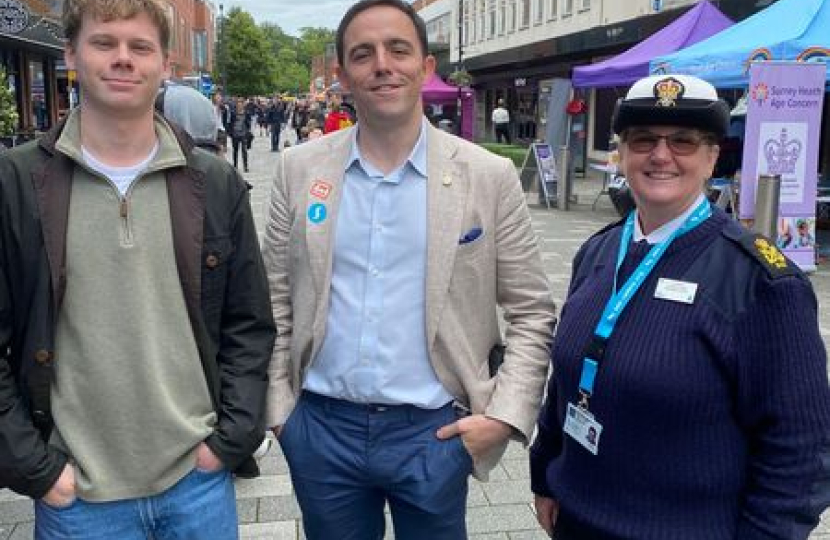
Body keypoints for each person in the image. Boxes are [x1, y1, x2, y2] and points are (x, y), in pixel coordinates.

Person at [261, 1, 556, 539]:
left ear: (424, 66)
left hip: (436, 430)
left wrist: (503, 417)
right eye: (363, 54)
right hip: (321, 430)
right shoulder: (298, 169)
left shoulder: (487, 177)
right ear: (344, 75)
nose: (382, 64)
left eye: (398, 49)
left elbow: (532, 311)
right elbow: (275, 298)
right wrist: (283, 413)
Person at [0, 1, 276, 538]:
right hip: (77, 496)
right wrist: (36, 469)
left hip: (196, 485)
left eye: (140, 46)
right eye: (105, 43)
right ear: (72, 54)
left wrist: (228, 441)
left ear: (165, 65)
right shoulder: (17, 184)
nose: (123, 58)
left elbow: (250, 324)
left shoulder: (214, 184)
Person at [530, 74, 830, 539]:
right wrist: (544, 474)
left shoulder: (762, 282)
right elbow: (568, 379)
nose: (661, 155)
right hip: (577, 520)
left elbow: (801, 449)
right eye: (643, 139)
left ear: (712, 157)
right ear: (622, 155)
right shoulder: (598, 252)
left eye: (683, 142)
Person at [228, 97, 252, 172]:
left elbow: (248, 123)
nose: (240, 105)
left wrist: (248, 131)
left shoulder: (246, 113)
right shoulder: (233, 113)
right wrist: (230, 132)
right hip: (235, 134)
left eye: (241, 103)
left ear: (243, 104)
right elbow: (230, 123)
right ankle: (235, 166)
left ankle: (245, 166)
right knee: (235, 150)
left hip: (243, 134)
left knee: (244, 150)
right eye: (238, 103)